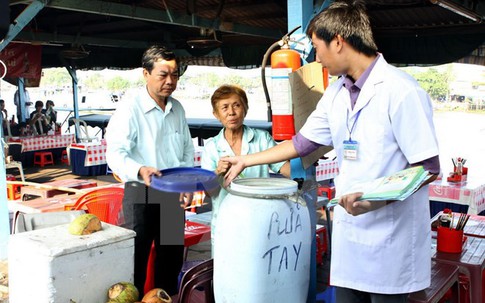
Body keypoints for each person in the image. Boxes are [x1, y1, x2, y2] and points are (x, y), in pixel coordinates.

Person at [222, 1, 440, 302]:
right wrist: (245, 160)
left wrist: (375, 201)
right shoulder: (336, 93)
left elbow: (427, 168)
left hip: (391, 239)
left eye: (316, 47)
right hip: (351, 237)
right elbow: (302, 144)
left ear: (338, 41)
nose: (316, 57)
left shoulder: (401, 91)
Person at [106, 45, 195, 296]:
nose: (170, 81)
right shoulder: (130, 107)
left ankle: (162, 300)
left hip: (172, 193)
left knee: (170, 258)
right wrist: (140, 169)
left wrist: (186, 183)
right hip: (140, 191)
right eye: (163, 74)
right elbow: (114, 154)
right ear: (145, 74)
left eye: (175, 75)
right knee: (136, 258)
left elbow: (187, 150)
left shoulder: (177, 108)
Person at [200, 84, 290, 252]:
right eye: (224, 108)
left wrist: (305, 160)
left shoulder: (261, 138)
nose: (231, 112)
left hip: (261, 220)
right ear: (216, 114)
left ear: (245, 108)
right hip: (226, 223)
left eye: (237, 105)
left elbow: (284, 168)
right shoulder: (211, 147)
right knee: (225, 271)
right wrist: (218, 173)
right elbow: (208, 192)